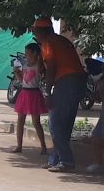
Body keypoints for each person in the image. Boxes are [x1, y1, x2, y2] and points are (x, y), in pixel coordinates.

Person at [31, 17, 88, 172]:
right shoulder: (60, 40)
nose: (34, 34)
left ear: (41, 31)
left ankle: (66, 161)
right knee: (65, 124)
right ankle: (55, 159)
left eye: (35, 31)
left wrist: (47, 92)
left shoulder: (47, 43)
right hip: (78, 81)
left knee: (55, 123)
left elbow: (51, 68)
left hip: (66, 82)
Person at [12, 42, 49, 155]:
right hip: (25, 92)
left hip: (34, 93)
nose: (26, 55)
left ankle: (43, 146)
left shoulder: (38, 65)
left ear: (35, 53)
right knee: (20, 120)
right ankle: (19, 145)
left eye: (28, 53)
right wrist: (17, 73)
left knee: (36, 121)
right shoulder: (25, 65)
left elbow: (42, 72)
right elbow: (22, 79)